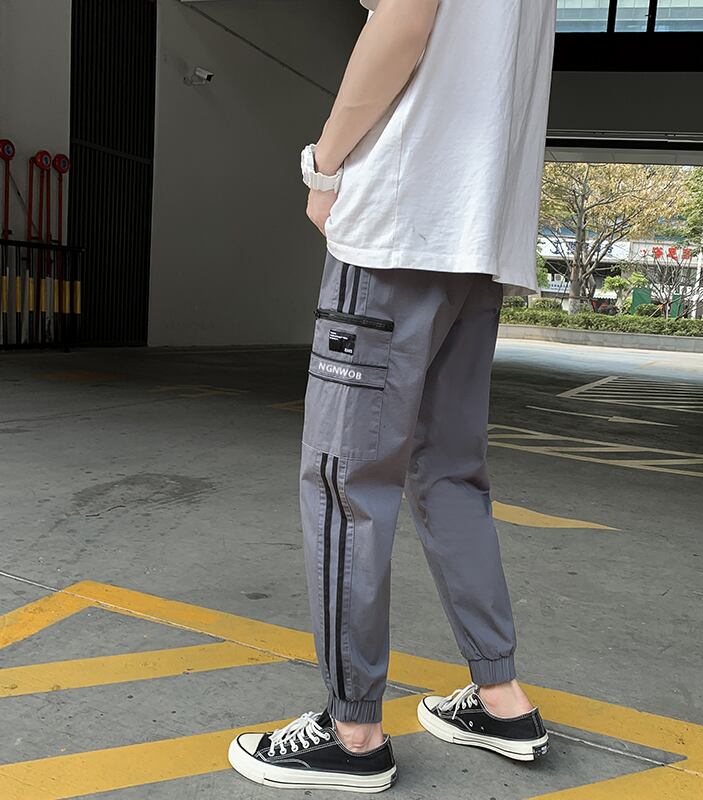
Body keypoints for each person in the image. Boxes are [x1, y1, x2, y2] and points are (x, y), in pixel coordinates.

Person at [228, 0, 557, 791]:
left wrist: (324, 165)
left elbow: (405, 20)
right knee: (450, 472)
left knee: (347, 482)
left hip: (398, 223)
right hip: (482, 234)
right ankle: (501, 697)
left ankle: (353, 733)